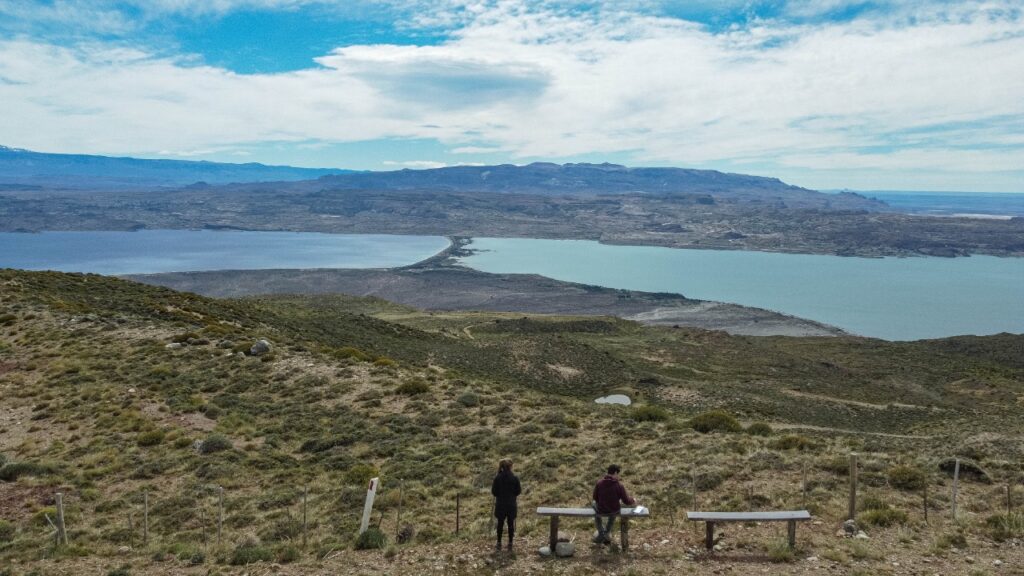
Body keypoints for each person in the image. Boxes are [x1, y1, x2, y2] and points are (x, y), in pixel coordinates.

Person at [592, 464, 636, 544]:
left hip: (601, 510)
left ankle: (601, 531)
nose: (618, 476)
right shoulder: (619, 485)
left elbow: (595, 497)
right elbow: (626, 501)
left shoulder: (599, 483)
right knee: (614, 510)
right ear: (615, 473)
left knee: (594, 504)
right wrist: (633, 500)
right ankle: (607, 531)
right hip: (614, 510)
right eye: (618, 474)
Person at [491, 458, 521, 551]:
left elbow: (494, 492)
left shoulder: (497, 477)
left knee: (500, 523)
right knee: (511, 523)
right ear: (510, 466)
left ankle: (499, 543)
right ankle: (510, 543)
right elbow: (518, 491)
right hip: (511, 504)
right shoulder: (515, 477)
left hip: (500, 504)